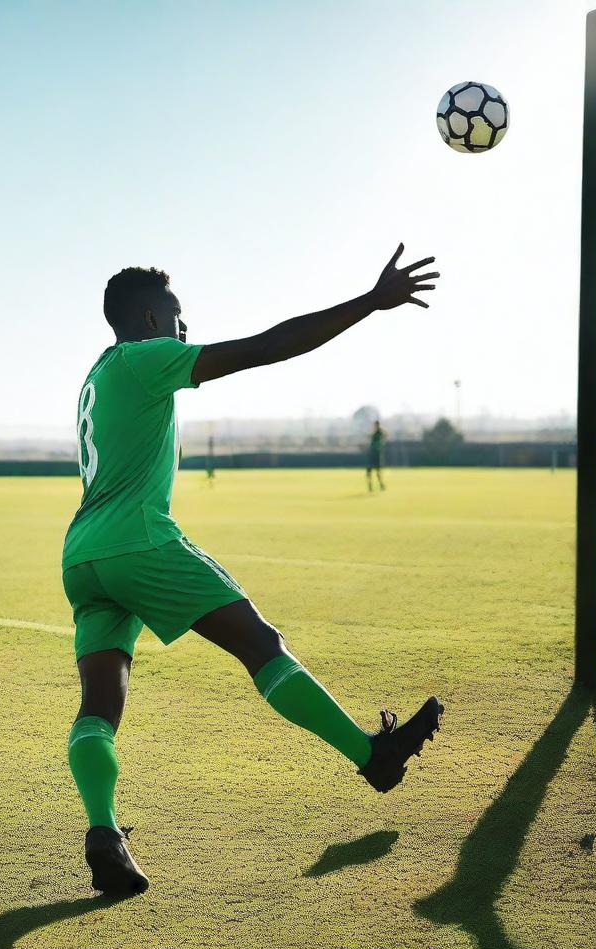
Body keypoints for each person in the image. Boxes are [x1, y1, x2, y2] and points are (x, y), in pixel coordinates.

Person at [62, 245, 444, 896]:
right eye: (178, 317)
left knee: (99, 706)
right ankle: (371, 758)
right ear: (151, 317)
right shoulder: (146, 357)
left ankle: (104, 835)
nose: (186, 330)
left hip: (82, 557)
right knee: (261, 645)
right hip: (138, 543)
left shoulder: (98, 375)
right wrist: (368, 303)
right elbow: (266, 347)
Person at [367, 419, 387, 492]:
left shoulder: (379, 432)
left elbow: (385, 435)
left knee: (377, 471)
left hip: (376, 453)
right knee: (369, 471)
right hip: (372, 453)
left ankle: (380, 485)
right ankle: (370, 486)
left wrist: (382, 442)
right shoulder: (375, 432)